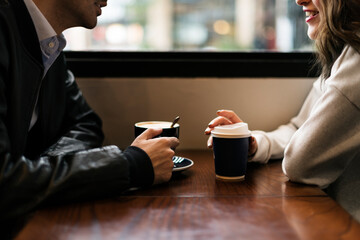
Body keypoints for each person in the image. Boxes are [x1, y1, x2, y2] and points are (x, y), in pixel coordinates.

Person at [0, 0, 179, 221]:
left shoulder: (48, 45)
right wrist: (129, 165)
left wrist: (40, 172)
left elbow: (85, 123)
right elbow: (4, 180)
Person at [205, 0, 360, 222]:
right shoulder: (342, 55)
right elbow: (301, 128)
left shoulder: (356, 59)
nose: (299, 0)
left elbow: (300, 165)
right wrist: (255, 143)